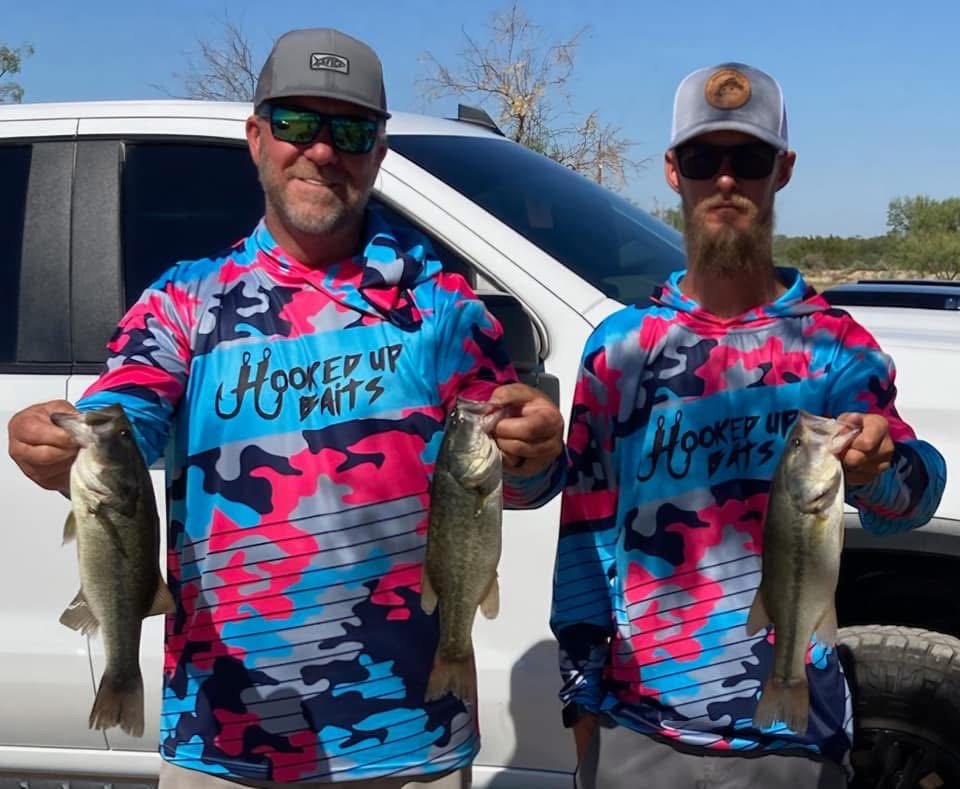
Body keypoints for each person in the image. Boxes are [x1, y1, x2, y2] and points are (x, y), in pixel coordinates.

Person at [7, 27, 565, 789]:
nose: (323, 150)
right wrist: (58, 448)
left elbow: (509, 480)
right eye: (298, 124)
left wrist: (536, 450)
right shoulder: (183, 303)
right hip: (225, 733)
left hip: (409, 736)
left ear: (379, 148)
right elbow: (124, 420)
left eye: (351, 129)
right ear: (256, 137)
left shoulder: (441, 309)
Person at [550, 62, 946, 788]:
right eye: (705, 158)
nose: (726, 180)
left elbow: (910, 502)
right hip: (640, 729)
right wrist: (582, 697)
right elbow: (584, 537)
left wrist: (883, 467)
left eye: (750, 158)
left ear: (783, 170)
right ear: (674, 171)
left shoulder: (838, 346)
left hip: (790, 739)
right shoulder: (618, 351)